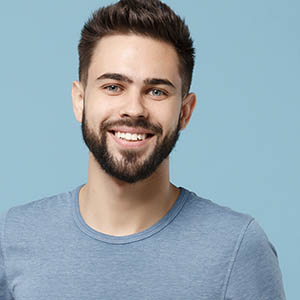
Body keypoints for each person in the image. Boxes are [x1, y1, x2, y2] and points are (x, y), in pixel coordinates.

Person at [0, 0, 286, 299]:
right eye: (113, 86)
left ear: (185, 112)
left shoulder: (237, 249)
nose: (134, 109)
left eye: (157, 91)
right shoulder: (12, 238)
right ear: (80, 100)